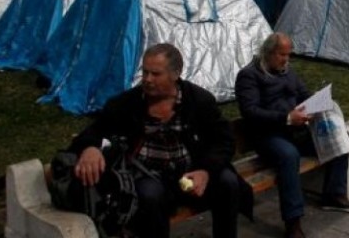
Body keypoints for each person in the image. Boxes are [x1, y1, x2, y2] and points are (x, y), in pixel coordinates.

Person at [68, 43, 243, 238]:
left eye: (156, 74)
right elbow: (95, 130)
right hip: (149, 175)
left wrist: (205, 170)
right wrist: (90, 148)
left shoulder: (198, 100)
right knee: (150, 195)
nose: (147, 79)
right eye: (145, 72)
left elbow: (224, 141)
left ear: (176, 74)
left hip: (191, 172)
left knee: (228, 182)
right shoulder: (127, 103)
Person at [235, 33, 349, 238]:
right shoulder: (249, 75)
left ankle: (333, 195)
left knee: (339, 136)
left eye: (288, 55)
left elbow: (304, 94)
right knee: (289, 156)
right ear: (267, 53)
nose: (286, 59)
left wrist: (318, 105)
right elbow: (250, 112)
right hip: (268, 136)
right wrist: (286, 117)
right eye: (281, 55)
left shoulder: (288, 72)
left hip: (296, 131)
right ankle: (293, 222)